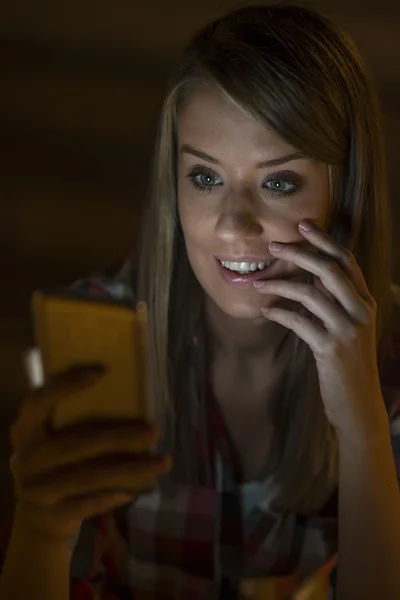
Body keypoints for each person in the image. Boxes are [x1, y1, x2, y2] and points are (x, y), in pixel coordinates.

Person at [1, 3, 400, 599]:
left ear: (346, 188)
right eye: (206, 178)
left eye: (279, 182)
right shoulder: (99, 333)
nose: (235, 227)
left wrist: (364, 427)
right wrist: (40, 530)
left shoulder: (393, 356)